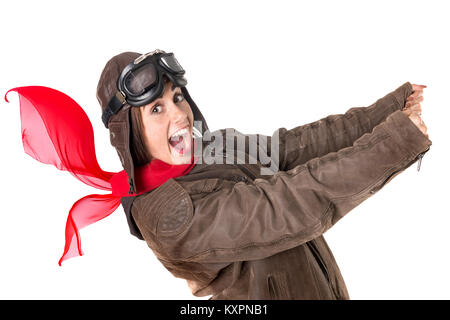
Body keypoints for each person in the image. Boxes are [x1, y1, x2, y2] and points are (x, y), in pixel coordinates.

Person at [8, 49, 431, 299]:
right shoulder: (171, 215)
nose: (179, 114)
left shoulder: (210, 147)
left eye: (177, 97)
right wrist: (397, 140)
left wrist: (392, 107)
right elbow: (290, 202)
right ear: (128, 134)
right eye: (155, 109)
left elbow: (290, 149)